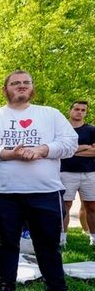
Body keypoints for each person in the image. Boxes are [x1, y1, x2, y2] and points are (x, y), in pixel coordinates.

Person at [0, 70, 77, 291]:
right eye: (15, 83)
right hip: (5, 191)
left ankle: (57, 290)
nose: (22, 86)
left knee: (48, 243)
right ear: (5, 90)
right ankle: (6, 286)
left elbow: (70, 143)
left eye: (26, 83)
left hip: (45, 190)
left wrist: (42, 150)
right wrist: (8, 154)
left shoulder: (50, 114)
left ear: (32, 88)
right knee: (6, 242)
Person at [59, 101, 95, 246]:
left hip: (90, 173)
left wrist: (72, 151)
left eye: (83, 110)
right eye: (77, 109)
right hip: (67, 172)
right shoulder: (63, 129)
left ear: (86, 113)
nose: (79, 112)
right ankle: (62, 238)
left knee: (92, 206)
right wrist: (84, 148)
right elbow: (60, 151)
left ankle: (93, 238)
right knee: (65, 205)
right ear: (70, 111)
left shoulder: (92, 130)